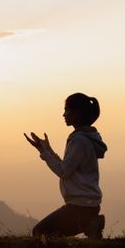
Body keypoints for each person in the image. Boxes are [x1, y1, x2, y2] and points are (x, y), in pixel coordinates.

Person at [24, 93, 108, 239]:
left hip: (79, 207)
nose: (64, 114)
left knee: (39, 232)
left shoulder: (80, 141)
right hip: (88, 206)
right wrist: (46, 149)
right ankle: (90, 224)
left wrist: (44, 152)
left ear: (78, 113)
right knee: (52, 235)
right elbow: (67, 166)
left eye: (67, 110)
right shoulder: (86, 139)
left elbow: (63, 171)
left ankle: (90, 224)